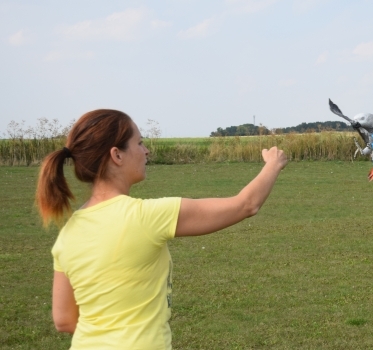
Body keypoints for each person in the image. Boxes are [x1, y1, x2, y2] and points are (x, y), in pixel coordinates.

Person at [36, 109, 289, 349]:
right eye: (140, 143)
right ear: (117, 155)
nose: (146, 151)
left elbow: (64, 320)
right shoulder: (146, 217)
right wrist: (272, 164)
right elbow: (245, 205)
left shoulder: (68, 234)